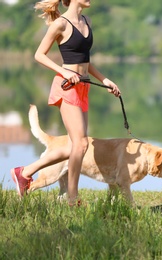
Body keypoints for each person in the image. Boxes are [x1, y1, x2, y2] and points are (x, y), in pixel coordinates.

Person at [10, 0, 121, 206]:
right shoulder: (60, 24)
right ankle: (72, 198)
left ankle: (24, 172)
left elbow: (85, 60)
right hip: (66, 87)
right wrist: (64, 71)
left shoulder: (86, 21)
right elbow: (39, 55)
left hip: (84, 87)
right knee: (81, 144)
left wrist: (105, 80)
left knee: (75, 145)